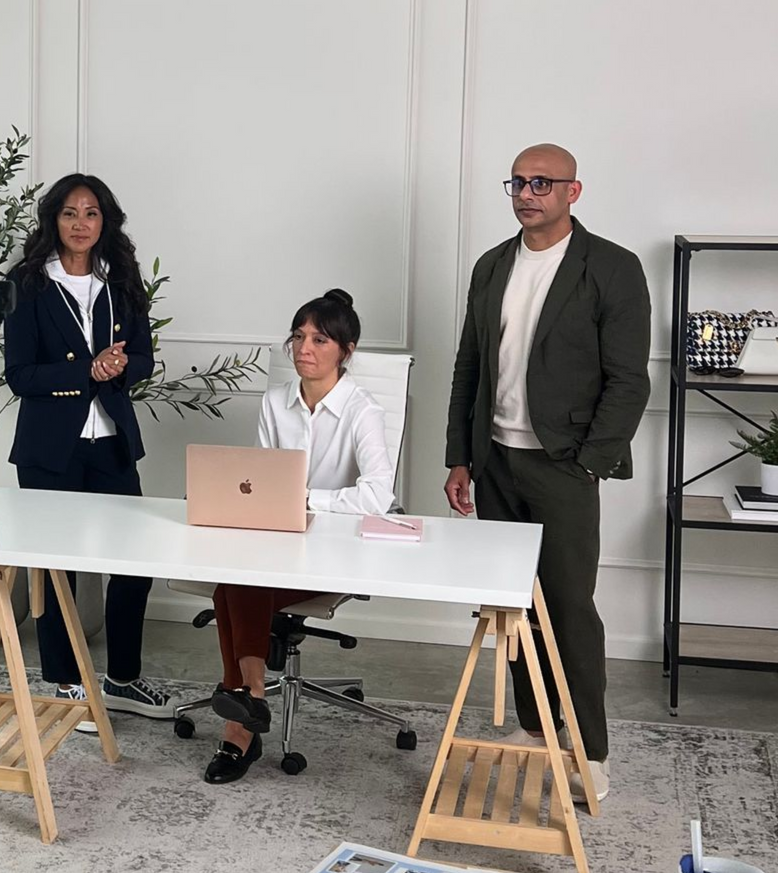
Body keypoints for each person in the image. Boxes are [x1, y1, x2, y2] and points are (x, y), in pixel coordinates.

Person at [442, 142, 649, 805]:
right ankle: (537, 730)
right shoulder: (492, 265)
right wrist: (459, 456)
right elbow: (468, 369)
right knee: (512, 608)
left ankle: (590, 752)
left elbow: (629, 381)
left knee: (568, 610)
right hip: (494, 460)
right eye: (518, 182)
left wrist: (589, 462)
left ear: (572, 192)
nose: (527, 193)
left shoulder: (611, 268)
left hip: (561, 467)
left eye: (542, 183)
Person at [202, 289, 396, 784]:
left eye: (319, 339)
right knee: (241, 577)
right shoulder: (274, 402)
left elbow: (376, 495)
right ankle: (251, 700)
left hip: (333, 553)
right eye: (298, 336)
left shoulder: (363, 411)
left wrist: (308, 499)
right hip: (275, 543)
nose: (303, 347)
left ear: (346, 350)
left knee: (237, 587)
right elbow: (259, 482)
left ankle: (243, 717)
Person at [2, 173, 172, 726]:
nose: (81, 223)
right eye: (71, 213)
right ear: (54, 220)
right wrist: (84, 373)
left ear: (105, 222)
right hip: (51, 451)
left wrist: (122, 367)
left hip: (112, 443)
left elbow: (144, 356)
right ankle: (64, 684)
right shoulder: (27, 285)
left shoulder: (121, 282)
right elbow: (20, 375)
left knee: (133, 563)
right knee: (57, 571)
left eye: (92, 213)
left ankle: (122, 678)